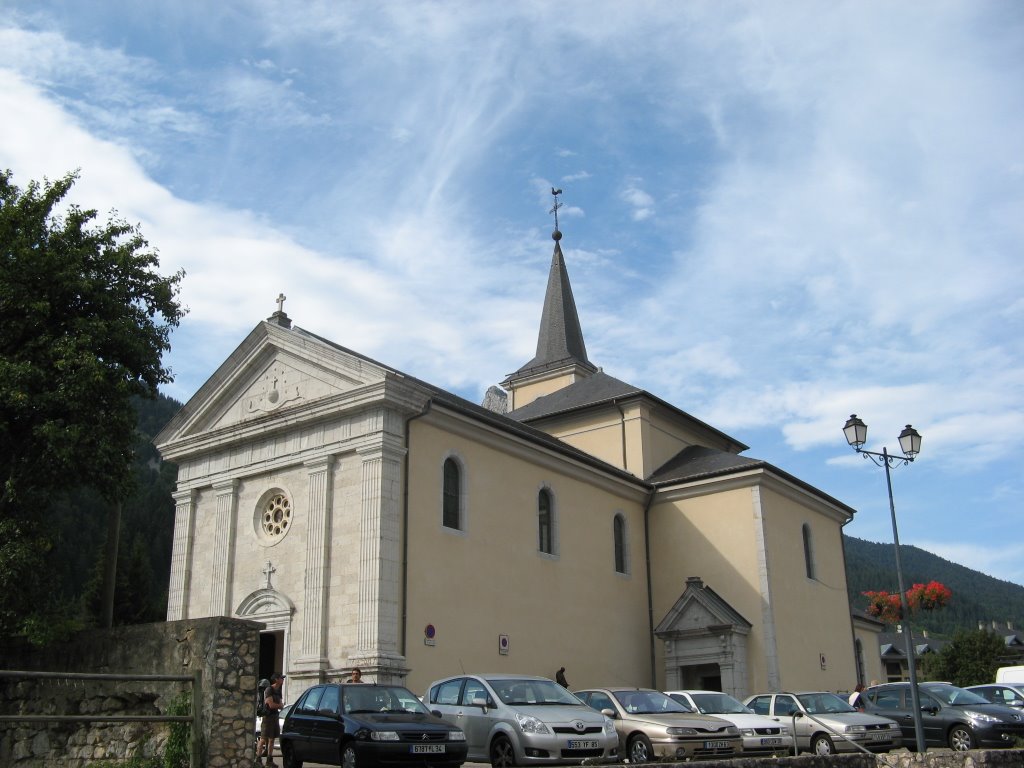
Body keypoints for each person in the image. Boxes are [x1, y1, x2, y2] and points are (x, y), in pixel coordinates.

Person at [258, 673, 285, 766]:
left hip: (275, 716)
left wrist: (279, 705)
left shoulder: (279, 690)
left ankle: (269, 760)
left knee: (272, 739)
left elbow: (280, 705)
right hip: (268, 717)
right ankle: (258, 759)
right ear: (276, 679)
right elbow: (271, 705)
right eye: (281, 678)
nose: (283, 680)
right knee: (263, 738)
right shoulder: (269, 689)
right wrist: (279, 705)